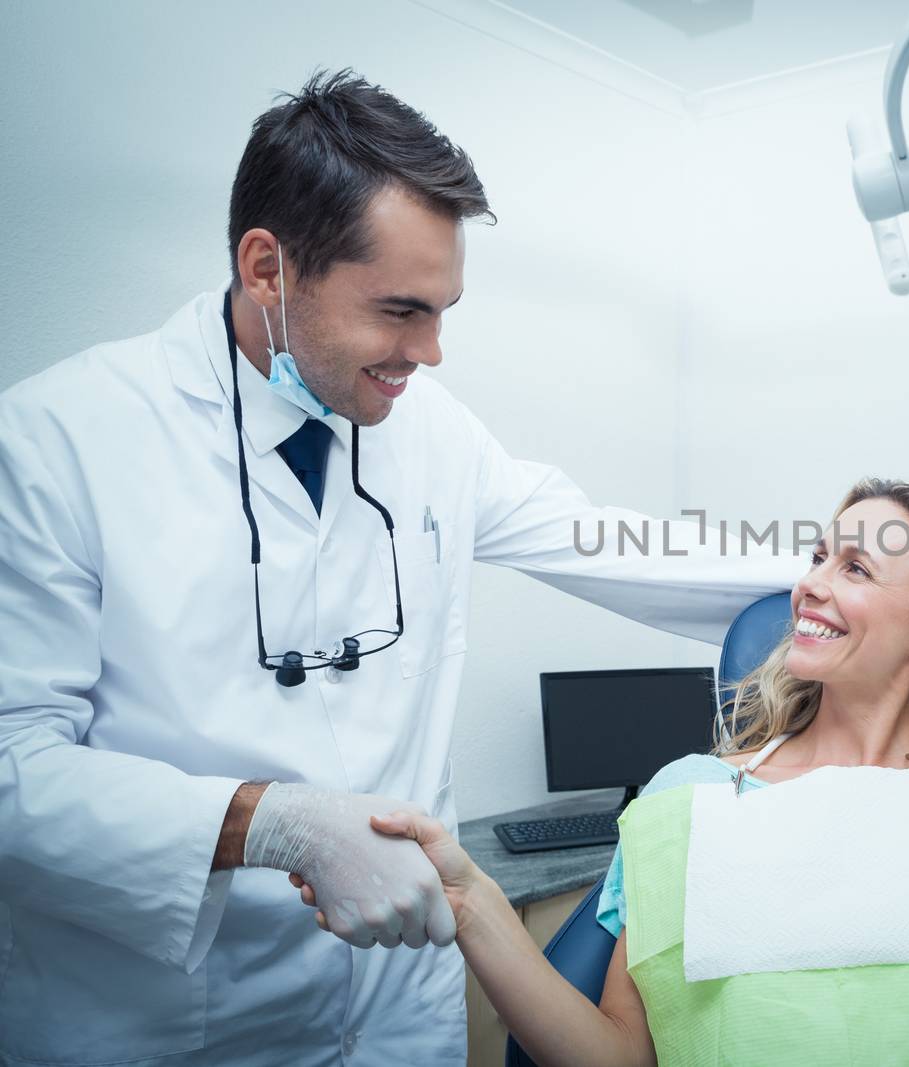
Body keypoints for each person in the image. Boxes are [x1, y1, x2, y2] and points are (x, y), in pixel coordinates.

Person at [0, 70, 799, 1066]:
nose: (428, 351)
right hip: (172, 1019)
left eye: (442, 310)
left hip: (390, 1011)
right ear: (266, 268)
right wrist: (267, 823)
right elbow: (12, 765)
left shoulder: (425, 428)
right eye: (399, 310)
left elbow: (595, 536)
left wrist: (837, 579)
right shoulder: (56, 442)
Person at [358, 479, 909, 1067]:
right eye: (817, 557)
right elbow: (617, 1055)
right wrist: (472, 903)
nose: (810, 583)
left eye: (854, 567)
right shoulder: (688, 800)